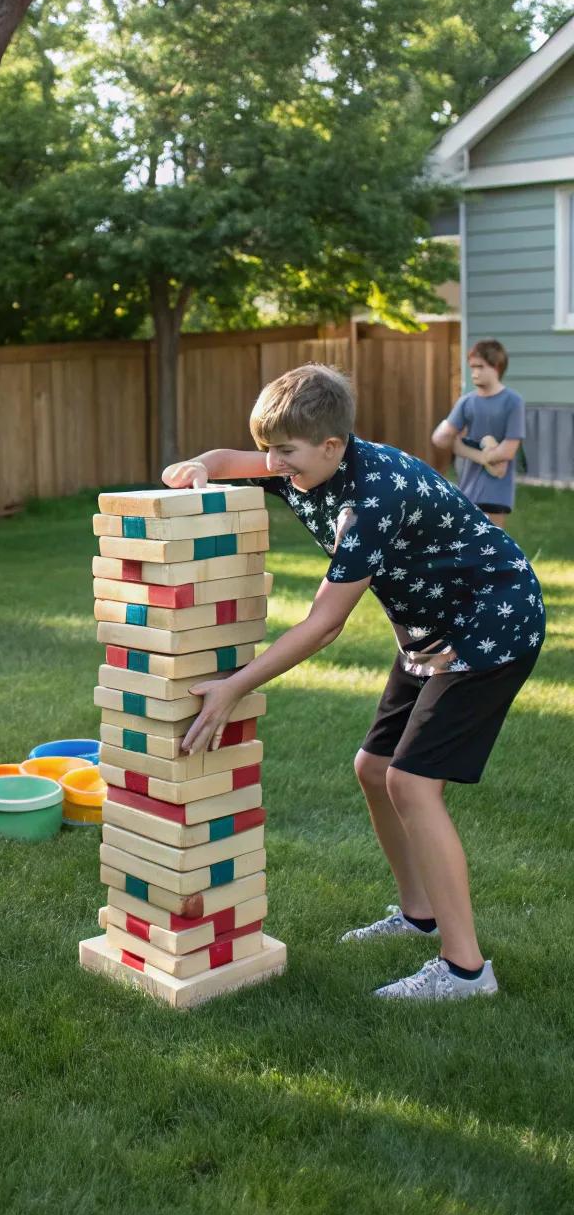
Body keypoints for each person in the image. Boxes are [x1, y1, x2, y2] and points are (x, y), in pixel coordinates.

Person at [162, 363, 544, 1001]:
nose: (273, 464)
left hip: (489, 625)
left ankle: (466, 970)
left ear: (332, 446)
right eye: (269, 450)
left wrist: (236, 684)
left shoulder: (372, 496)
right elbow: (231, 458)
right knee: (373, 768)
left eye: (285, 453)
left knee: (411, 782)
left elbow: (324, 623)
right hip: (428, 631)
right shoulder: (304, 461)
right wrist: (199, 467)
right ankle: (419, 916)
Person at [432, 339, 525, 529]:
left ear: (497, 367)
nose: (474, 373)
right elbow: (439, 439)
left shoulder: (513, 401)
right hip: (468, 488)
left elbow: (507, 451)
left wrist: (463, 449)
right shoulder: (466, 402)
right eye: (472, 367)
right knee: (467, 546)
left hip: (497, 490)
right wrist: (449, 434)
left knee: (493, 545)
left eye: (480, 367)